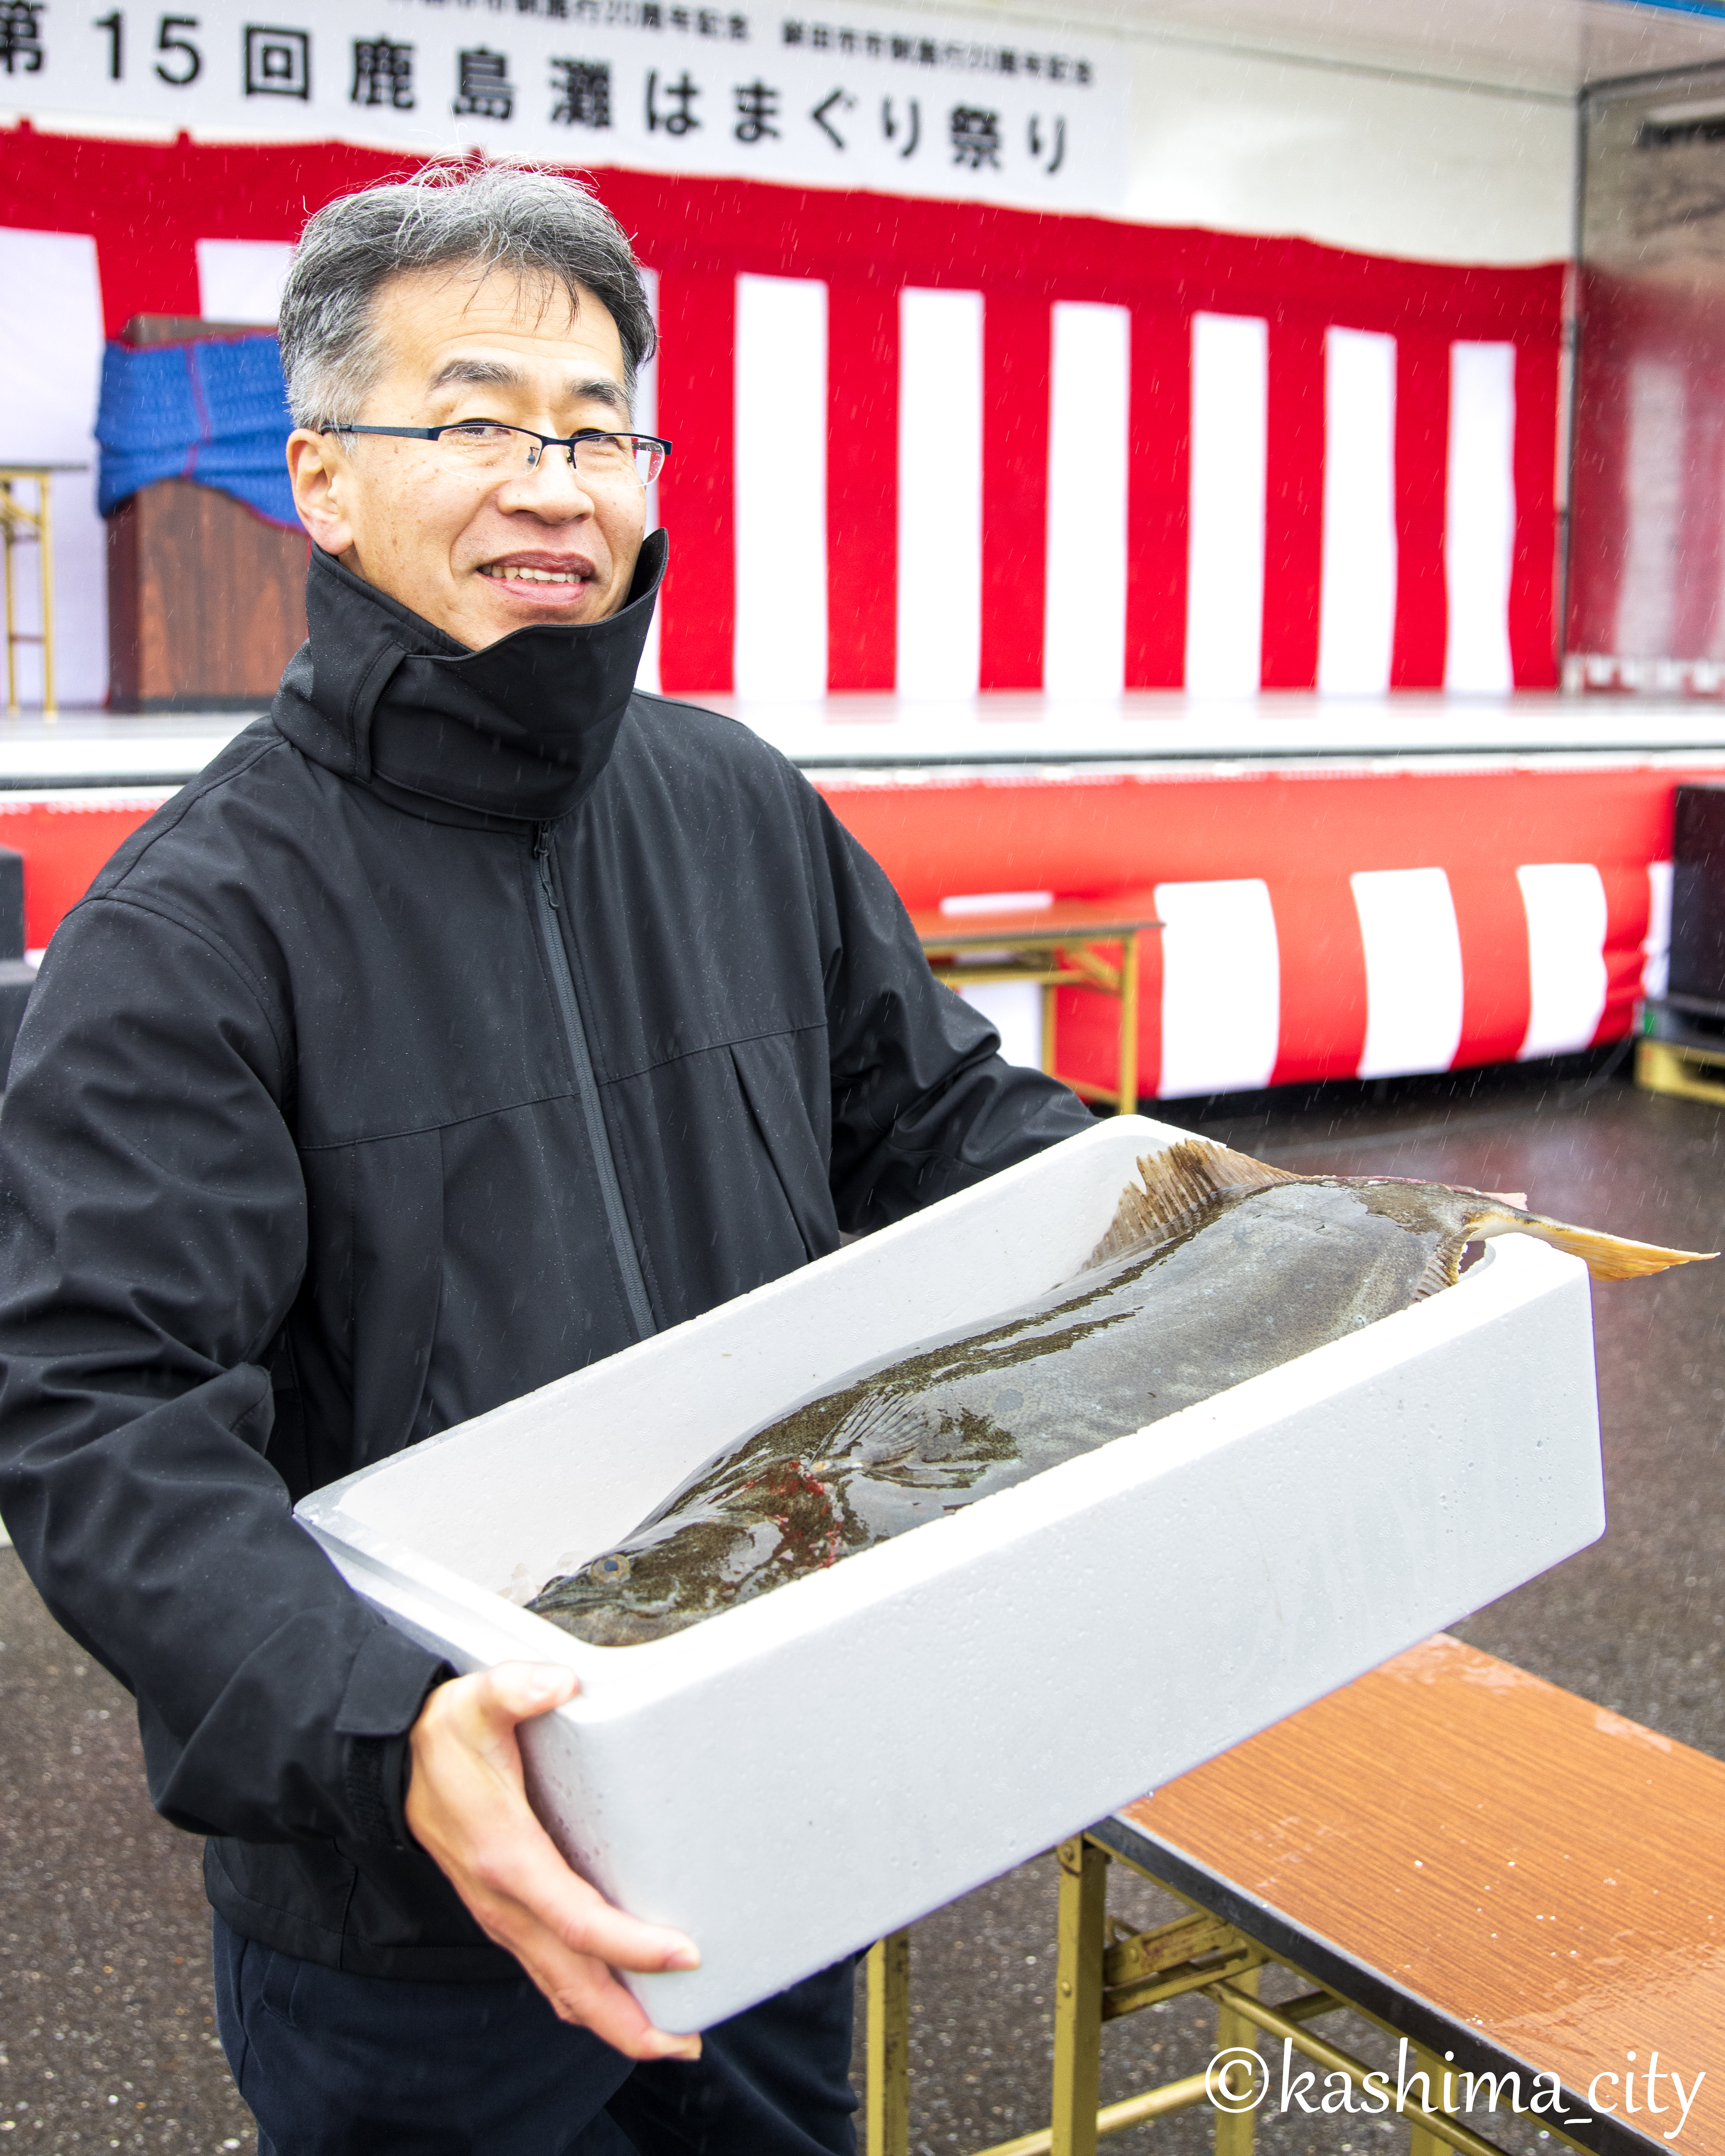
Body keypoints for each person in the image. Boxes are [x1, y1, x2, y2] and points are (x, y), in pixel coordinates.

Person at [0, 163, 1093, 2155]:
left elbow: (947, 1132)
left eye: (600, 429)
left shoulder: (737, 805)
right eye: (480, 422)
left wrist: (1231, 1233)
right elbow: (102, 1414)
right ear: (324, 482)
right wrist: (387, 1728)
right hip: (416, 1910)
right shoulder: (195, 928)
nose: (555, 483)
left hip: (763, 1815)